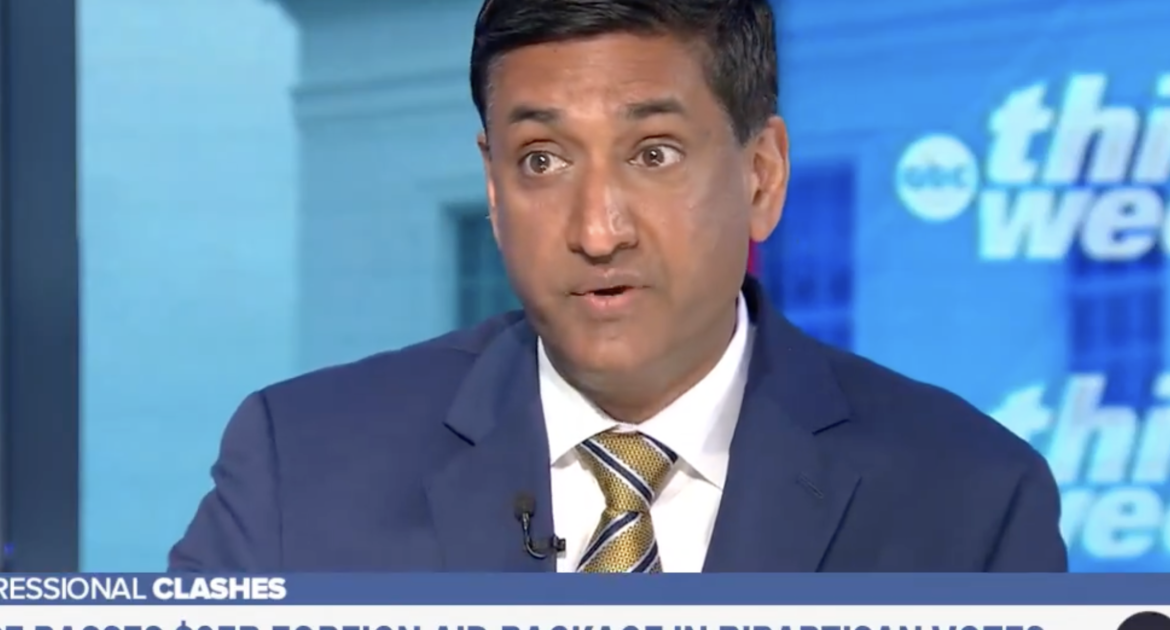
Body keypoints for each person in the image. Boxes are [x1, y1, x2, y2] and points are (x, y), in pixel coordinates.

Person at [169, 0, 1068, 572]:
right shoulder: (300, 467)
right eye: (542, 159)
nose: (598, 232)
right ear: (493, 191)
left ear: (762, 176)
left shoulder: (971, 498)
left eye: (654, 154)